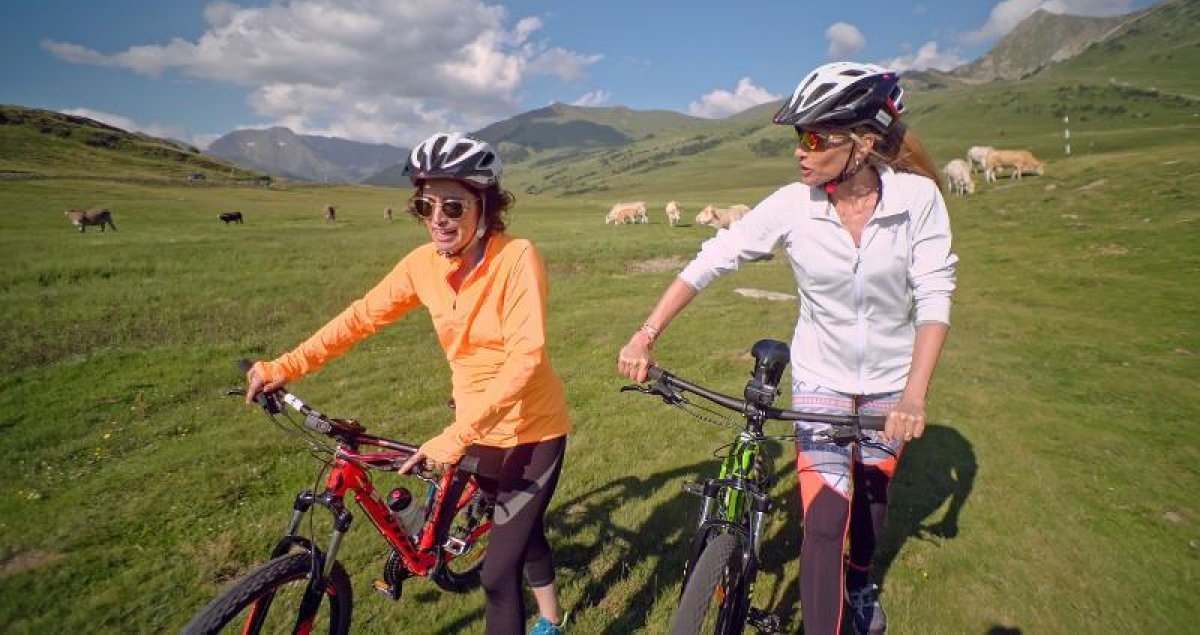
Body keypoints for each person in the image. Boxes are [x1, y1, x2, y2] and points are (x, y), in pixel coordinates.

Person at [617, 62, 957, 635]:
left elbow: (934, 295)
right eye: (798, 136)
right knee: (823, 522)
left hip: (890, 383)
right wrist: (645, 333)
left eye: (815, 137)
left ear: (863, 142)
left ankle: (861, 577)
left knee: (871, 504)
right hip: (821, 378)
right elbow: (712, 259)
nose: (801, 151)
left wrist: (915, 397)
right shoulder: (794, 202)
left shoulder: (917, 200)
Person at [245, 132, 571, 635]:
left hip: (532, 430)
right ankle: (552, 613)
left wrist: (457, 436)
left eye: (452, 205)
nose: (437, 218)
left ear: (484, 204)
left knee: (499, 573)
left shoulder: (516, 257)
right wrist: (284, 365)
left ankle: (548, 620)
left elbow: (526, 357)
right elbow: (360, 318)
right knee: (520, 529)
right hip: (475, 427)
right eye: (425, 204)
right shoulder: (423, 265)